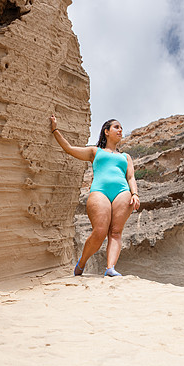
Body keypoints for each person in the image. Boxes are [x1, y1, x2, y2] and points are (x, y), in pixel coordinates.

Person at [50, 115, 140, 276]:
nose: (120, 130)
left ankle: (110, 268)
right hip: (100, 192)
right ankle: (82, 263)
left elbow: (131, 177)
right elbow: (69, 149)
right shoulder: (95, 151)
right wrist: (55, 129)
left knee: (116, 232)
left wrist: (135, 194)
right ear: (106, 131)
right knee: (99, 231)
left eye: (121, 128)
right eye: (116, 127)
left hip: (123, 192)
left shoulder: (125, 157)